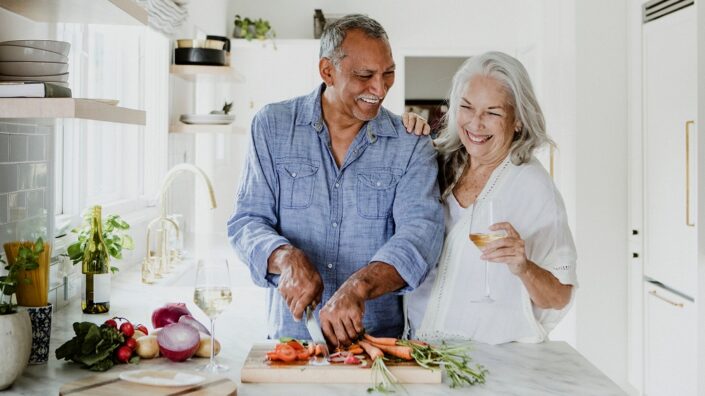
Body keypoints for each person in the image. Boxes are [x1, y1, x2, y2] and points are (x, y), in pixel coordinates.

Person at [227, 14, 444, 346]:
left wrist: (359, 287)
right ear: (327, 71)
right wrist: (285, 257)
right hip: (291, 342)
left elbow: (420, 236)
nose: (380, 88)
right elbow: (247, 221)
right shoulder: (271, 126)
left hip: (376, 345)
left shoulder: (411, 143)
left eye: (388, 74)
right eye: (364, 75)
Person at [403, 51, 577, 344]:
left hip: (489, 362)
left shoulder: (533, 187)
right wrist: (404, 133)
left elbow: (559, 296)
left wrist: (524, 266)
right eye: (467, 107)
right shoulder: (438, 162)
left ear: (518, 120)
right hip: (418, 348)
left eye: (492, 113)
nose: (475, 123)